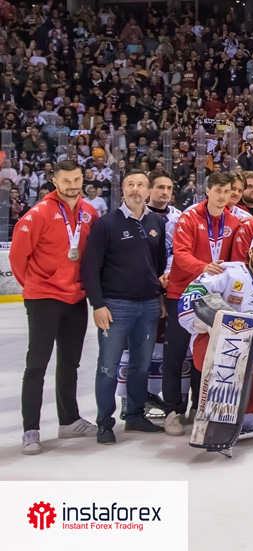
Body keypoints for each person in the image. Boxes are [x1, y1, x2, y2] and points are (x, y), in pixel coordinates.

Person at [11, 160, 102, 454]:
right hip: (44, 298)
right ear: (54, 180)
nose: (72, 186)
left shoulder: (90, 213)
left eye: (76, 180)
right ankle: (31, 430)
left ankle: (69, 420)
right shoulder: (38, 213)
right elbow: (17, 257)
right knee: (37, 365)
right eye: (66, 181)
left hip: (76, 299)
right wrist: (37, 285)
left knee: (70, 363)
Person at [178, 232, 253, 441]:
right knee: (229, 366)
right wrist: (207, 321)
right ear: (250, 251)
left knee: (250, 418)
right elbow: (190, 299)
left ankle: (237, 418)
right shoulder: (227, 272)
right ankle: (213, 417)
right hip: (216, 344)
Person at [82, 171, 168, 444]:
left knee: (141, 365)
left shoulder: (156, 222)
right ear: (122, 190)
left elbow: (158, 265)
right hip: (115, 306)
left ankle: (134, 416)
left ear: (148, 192)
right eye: (130, 184)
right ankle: (104, 423)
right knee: (108, 366)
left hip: (149, 305)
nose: (135, 189)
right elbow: (90, 267)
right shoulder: (106, 223)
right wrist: (98, 304)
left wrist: (159, 297)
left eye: (141, 185)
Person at [160, 171, 241, 437]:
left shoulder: (233, 221)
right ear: (207, 191)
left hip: (212, 298)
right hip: (182, 293)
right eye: (218, 190)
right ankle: (172, 411)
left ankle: (198, 406)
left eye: (227, 191)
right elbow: (181, 254)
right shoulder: (189, 217)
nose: (222, 196)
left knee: (204, 353)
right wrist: (204, 267)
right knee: (175, 354)